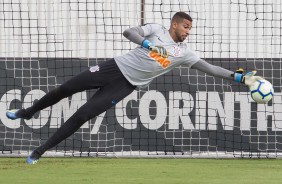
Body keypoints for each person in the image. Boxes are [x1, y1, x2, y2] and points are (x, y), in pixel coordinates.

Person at [6, 12, 262, 164]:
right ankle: (27, 112)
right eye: (186, 27)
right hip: (112, 67)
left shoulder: (184, 53)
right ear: (174, 24)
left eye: (190, 29)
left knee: (82, 115)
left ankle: (39, 151)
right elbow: (129, 32)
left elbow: (210, 69)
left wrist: (238, 78)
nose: (188, 32)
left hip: (125, 86)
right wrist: (146, 44)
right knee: (64, 89)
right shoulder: (156, 30)